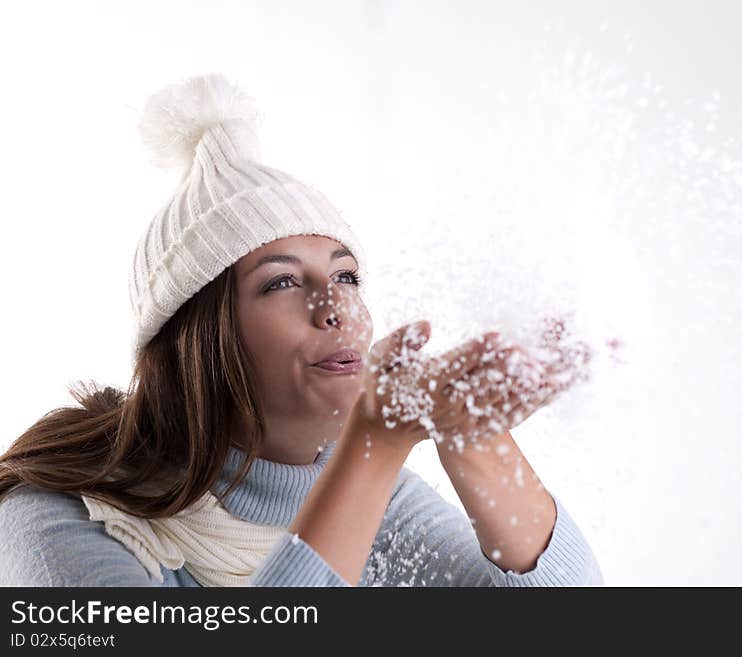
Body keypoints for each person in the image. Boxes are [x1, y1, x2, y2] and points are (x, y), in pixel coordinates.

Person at [0, 73, 603, 587]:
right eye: (282, 283)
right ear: (196, 344)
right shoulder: (52, 519)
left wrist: (473, 436)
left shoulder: (383, 503)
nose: (335, 307)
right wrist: (372, 448)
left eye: (346, 277)